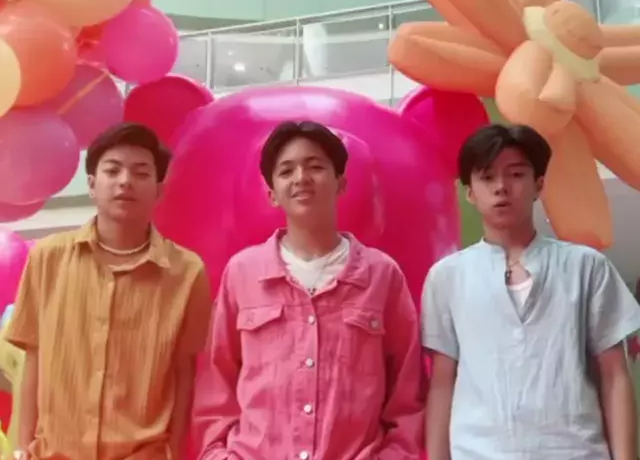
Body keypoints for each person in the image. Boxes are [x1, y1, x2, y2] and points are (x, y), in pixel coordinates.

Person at [195, 120, 424, 459]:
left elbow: (408, 397)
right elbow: (216, 386)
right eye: (286, 171)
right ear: (272, 193)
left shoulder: (381, 275)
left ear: (340, 182)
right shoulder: (242, 274)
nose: (301, 178)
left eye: (315, 166)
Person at [423, 124, 640, 459]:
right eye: (487, 177)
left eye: (516, 174)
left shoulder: (585, 267)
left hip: (575, 452)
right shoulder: (447, 277)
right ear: (470, 193)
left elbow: (615, 376)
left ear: (539, 184)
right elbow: (441, 385)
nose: (501, 187)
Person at [6, 123, 212, 459]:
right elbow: (33, 357)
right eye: (113, 170)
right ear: (91, 184)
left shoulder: (187, 272)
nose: (125, 181)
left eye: (141, 172)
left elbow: (184, 374)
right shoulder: (48, 258)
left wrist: (174, 452)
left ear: (159, 189)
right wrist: (21, 447)